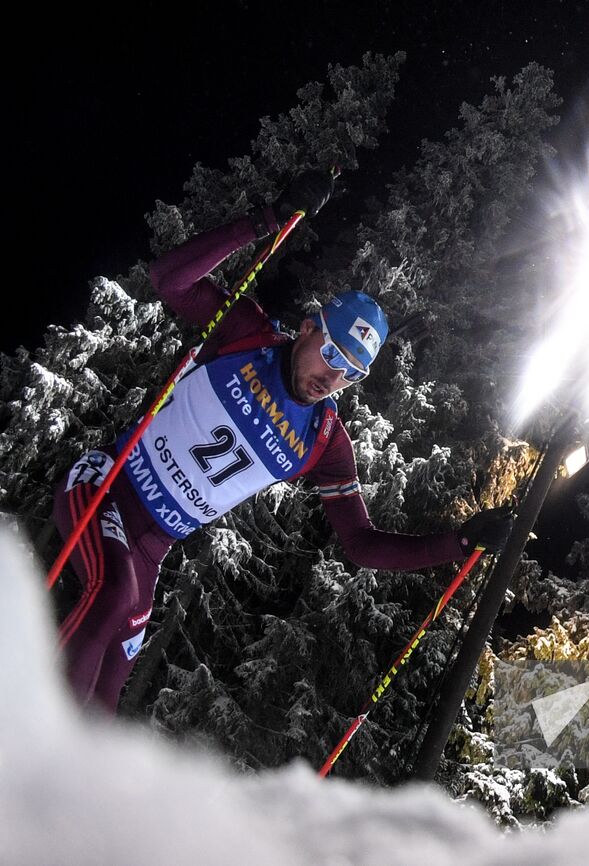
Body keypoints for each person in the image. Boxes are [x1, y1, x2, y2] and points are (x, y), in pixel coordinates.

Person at [52, 172, 514, 711]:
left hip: (154, 547)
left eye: (351, 372)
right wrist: (262, 222)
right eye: (333, 353)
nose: (333, 376)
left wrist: (457, 544)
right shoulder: (248, 334)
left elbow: (360, 544)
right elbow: (168, 279)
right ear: (309, 327)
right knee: (109, 600)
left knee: (107, 689)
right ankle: (29, 739)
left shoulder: (323, 441)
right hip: (108, 486)